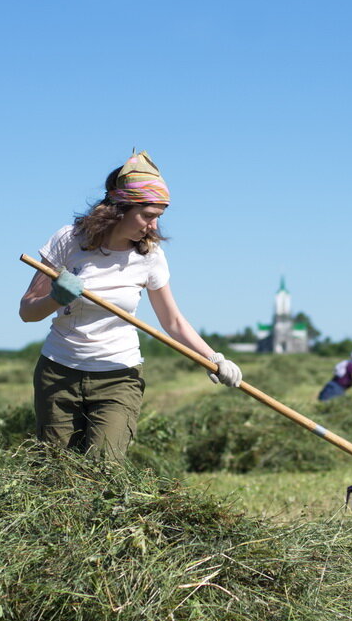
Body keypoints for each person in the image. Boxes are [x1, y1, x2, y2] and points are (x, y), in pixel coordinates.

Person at [19, 151, 243, 459]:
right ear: (119, 208)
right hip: (58, 373)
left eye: (158, 217)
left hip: (118, 375)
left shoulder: (149, 256)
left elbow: (172, 321)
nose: (153, 226)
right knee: (57, 473)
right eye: (148, 215)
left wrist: (214, 358)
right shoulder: (68, 240)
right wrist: (55, 297)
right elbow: (27, 311)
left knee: (105, 469)